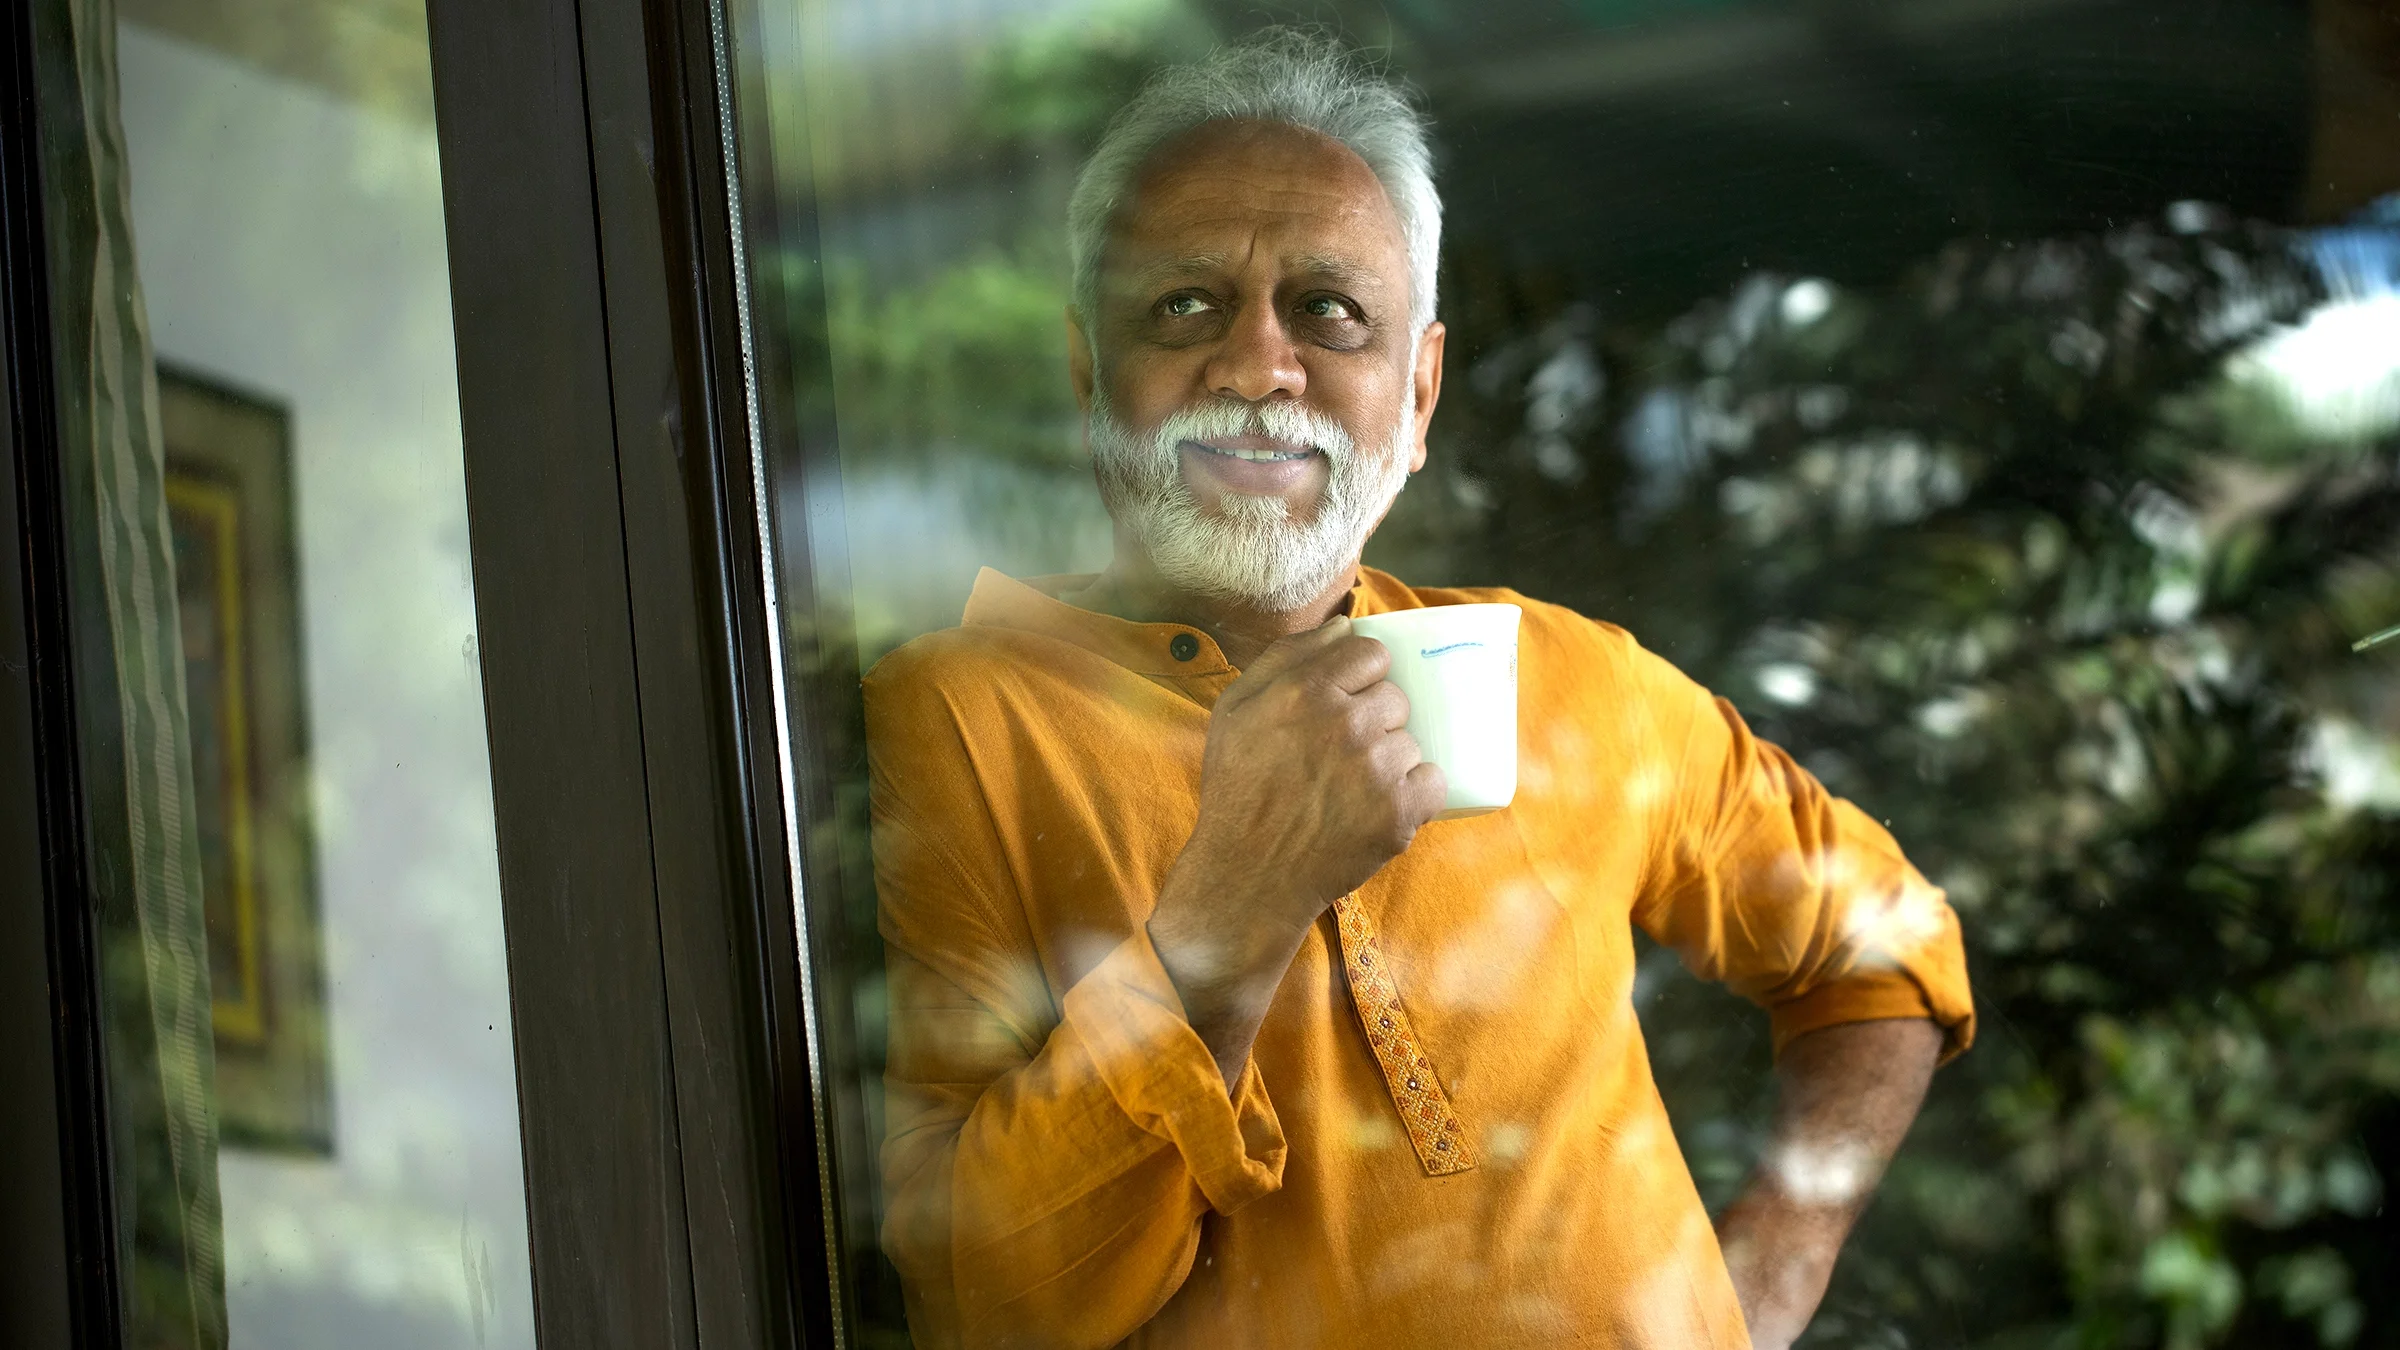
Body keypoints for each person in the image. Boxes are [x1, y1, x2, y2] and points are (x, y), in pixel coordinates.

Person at [863, 30, 1974, 1350]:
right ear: (1084, 368)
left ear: (1422, 389)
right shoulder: (962, 714)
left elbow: (1888, 945)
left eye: (1329, 312)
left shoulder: (1571, 678)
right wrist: (1233, 913)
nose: (1256, 368)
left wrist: (1773, 1270)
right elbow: (990, 1310)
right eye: (1184, 307)